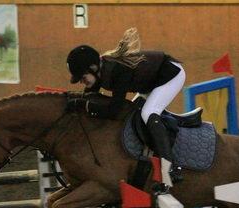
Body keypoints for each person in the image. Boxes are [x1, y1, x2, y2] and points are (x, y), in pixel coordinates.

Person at [66, 27, 185, 182]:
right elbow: (89, 97)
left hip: (170, 74)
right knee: (134, 115)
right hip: (151, 83)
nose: (82, 82)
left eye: (82, 78)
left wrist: (84, 106)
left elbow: (114, 110)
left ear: (93, 68)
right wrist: (73, 102)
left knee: (148, 113)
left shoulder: (118, 71)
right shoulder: (100, 71)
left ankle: (171, 167)